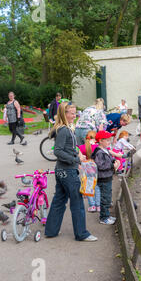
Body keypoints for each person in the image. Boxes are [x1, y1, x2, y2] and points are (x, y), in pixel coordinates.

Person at [45, 102, 98, 242]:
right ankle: (81, 234)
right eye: (72, 113)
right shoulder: (64, 130)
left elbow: (68, 147)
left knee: (59, 200)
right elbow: (57, 151)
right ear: (64, 113)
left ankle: (51, 231)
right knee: (77, 203)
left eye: (75, 113)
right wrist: (75, 160)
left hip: (62, 171)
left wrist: (78, 154)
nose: (75, 115)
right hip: (68, 172)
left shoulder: (65, 128)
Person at [91, 130, 119, 225]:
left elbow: (110, 158)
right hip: (103, 178)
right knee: (105, 198)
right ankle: (104, 217)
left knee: (107, 196)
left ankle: (106, 215)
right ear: (100, 141)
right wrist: (112, 166)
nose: (109, 142)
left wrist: (114, 160)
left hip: (107, 177)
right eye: (107, 140)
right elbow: (101, 166)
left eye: (109, 140)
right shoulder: (99, 153)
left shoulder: (105, 150)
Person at [78, 131, 101, 213]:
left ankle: (92, 205)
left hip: (86, 168)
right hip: (96, 168)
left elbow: (79, 157)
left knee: (88, 187)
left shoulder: (81, 147)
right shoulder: (97, 146)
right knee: (97, 187)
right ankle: (98, 206)